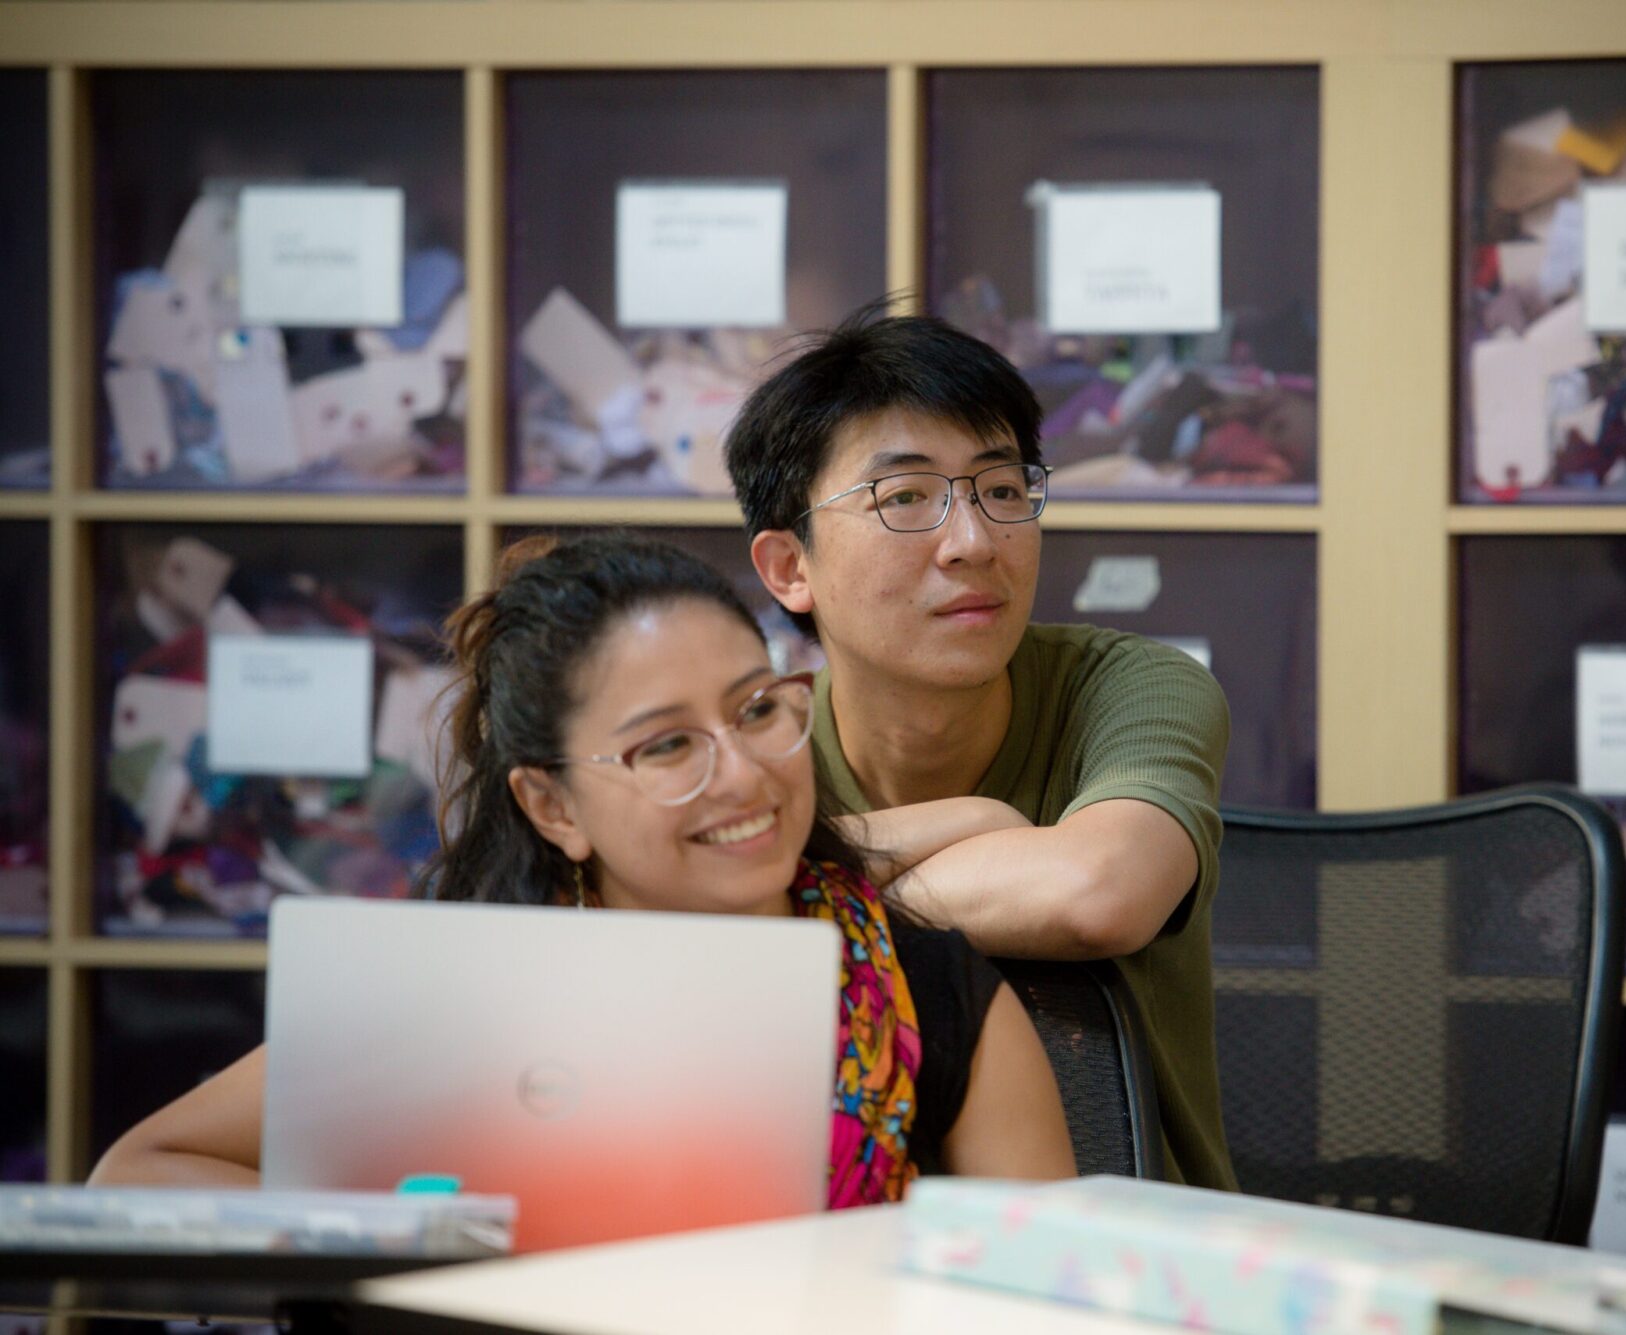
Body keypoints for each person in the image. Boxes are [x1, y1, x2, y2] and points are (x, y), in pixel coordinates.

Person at [90, 532, 1075, 1199]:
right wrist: (444, 1251)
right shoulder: (463, 1000)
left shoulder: (931, 994)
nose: (743, 775)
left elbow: (1051, 1296)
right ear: (552, 805)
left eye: (756, 710)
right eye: (665, 747)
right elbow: (142, 1169)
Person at [728, 306, 1237, 1191]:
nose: (972, 543)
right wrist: (978, 822)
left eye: (1001, 490)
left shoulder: (1133, 687)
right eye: (906, 498)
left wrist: (809, 895)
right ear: (788, 568)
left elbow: (1095, 890)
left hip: (1146, 1255)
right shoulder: (759, 751)